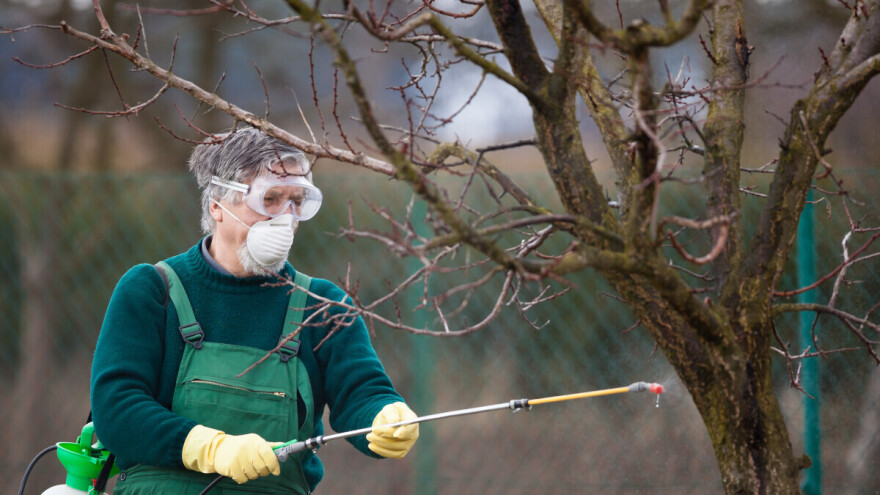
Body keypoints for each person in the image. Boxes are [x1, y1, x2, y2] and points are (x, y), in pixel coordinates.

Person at [90, 127, 419, 494]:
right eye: (270, 199)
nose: (286, 217)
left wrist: (386, 416)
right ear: (217, 204)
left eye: (297, 201)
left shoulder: (323, 306)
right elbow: (116, 409)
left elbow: (362, 393)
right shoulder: (152, 290)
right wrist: (211, 448)